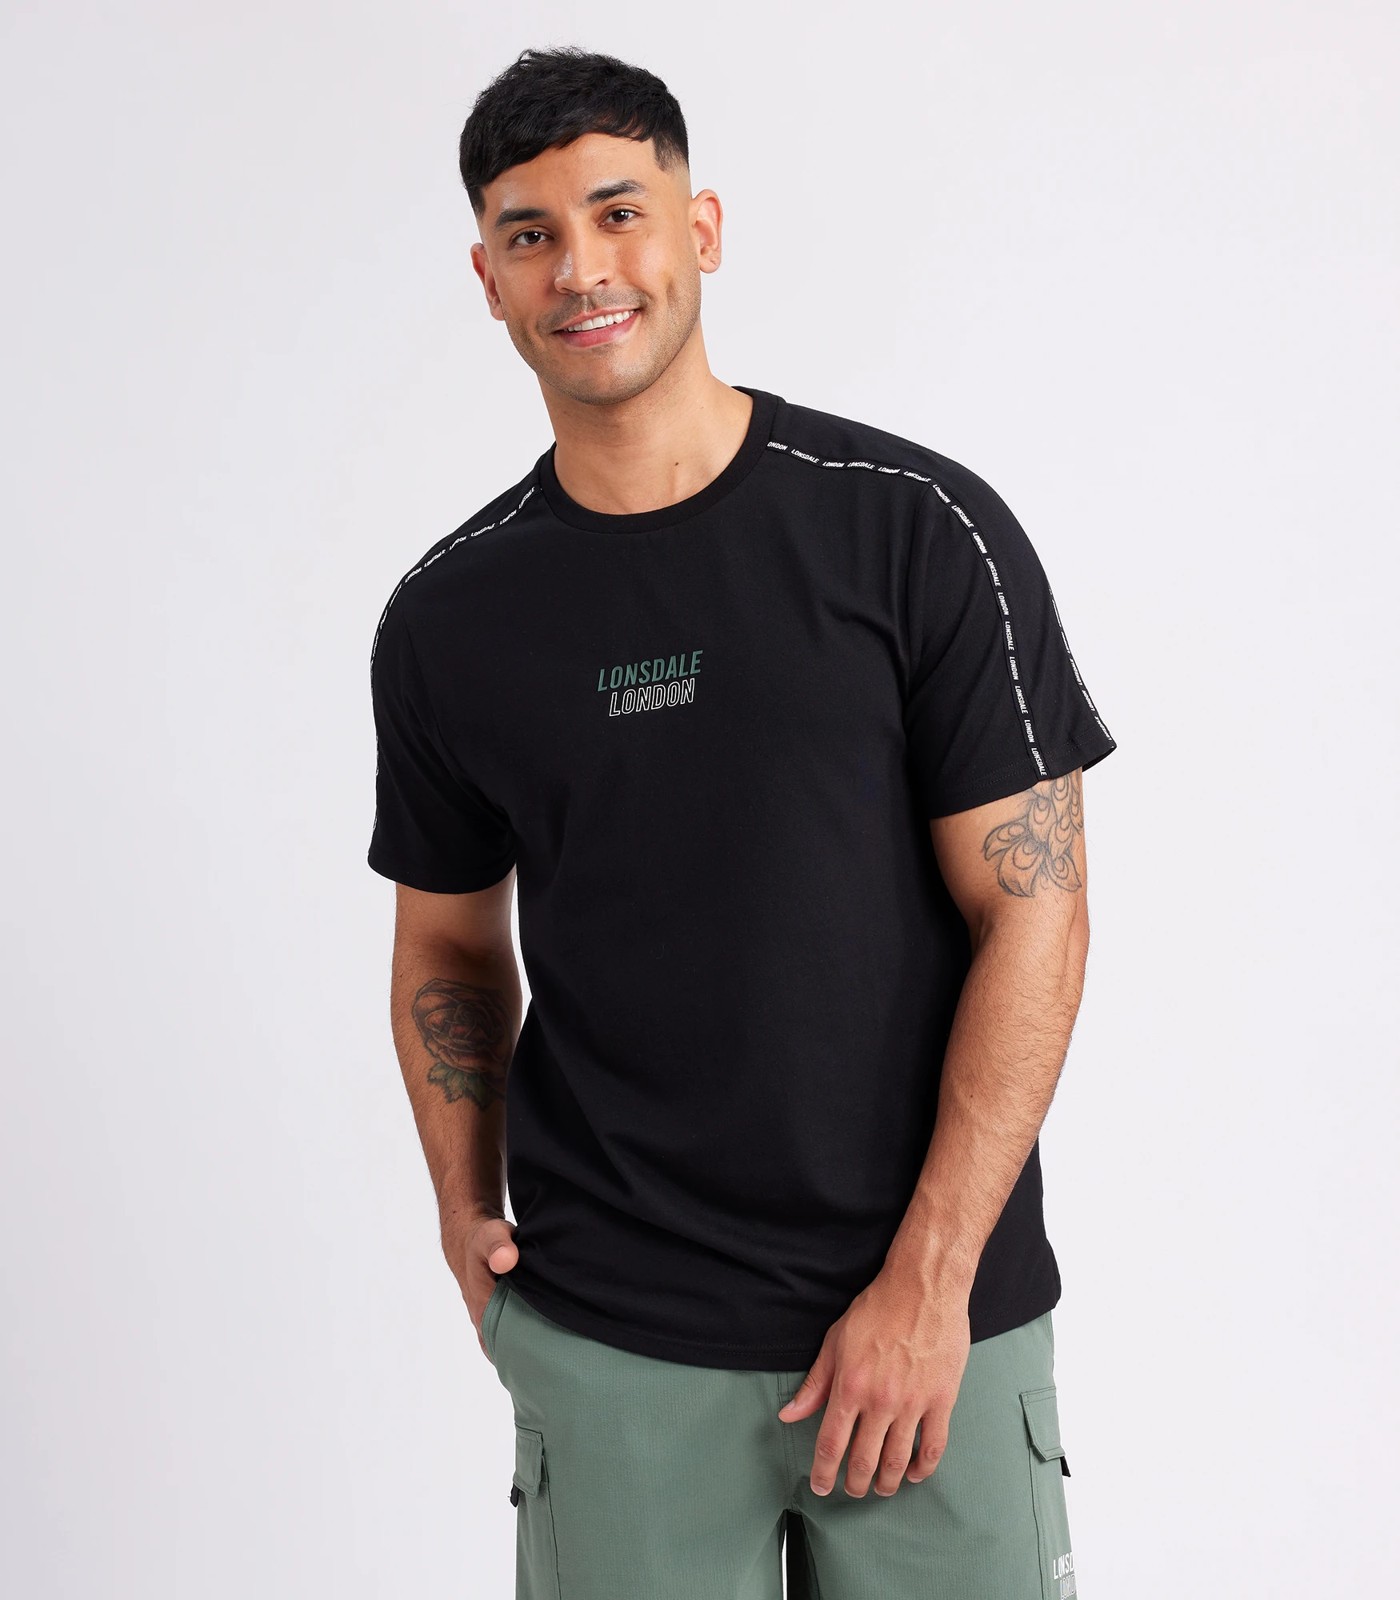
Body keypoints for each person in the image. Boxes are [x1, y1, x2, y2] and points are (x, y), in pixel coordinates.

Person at [366, 43, 1113, 1600]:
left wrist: (927, 1285)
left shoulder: (913, 531)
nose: (583, 271)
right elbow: (447, 936)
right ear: (489, 280)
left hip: (938, 1331)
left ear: (699, 229)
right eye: (530, 234)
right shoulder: (450, 617)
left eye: (618, 213)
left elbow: (1035, 911)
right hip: (617, 1342)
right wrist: (460, 1209)